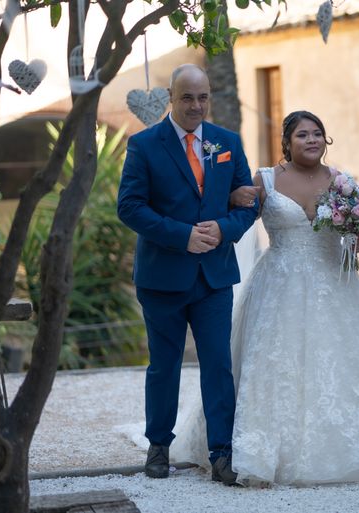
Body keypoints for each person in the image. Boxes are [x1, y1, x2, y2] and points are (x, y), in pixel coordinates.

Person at [172, 110, 359, 485]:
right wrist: (224, 206)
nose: (311, 140)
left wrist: (355, 220)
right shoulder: (265, 179)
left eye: (317, 133)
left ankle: (344, 449)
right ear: (287, 142)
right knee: (273, 366)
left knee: (337, 364)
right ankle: (261, 450)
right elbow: (237, 219)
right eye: (302, 134)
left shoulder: (341, 182)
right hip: (278, 286)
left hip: (334, 289)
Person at [117, 64, 257, 485]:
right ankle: (158, 447)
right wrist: (182, 236)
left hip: (215, 276)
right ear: (170, 98)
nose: (196, 106)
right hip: (162, 277)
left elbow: (248, 202)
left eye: (203, 97)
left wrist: (224, 230)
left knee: (218, 366)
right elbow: (130, 207)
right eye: (187, 98)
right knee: (164, 366)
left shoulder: (226, 142)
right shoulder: (144, 144)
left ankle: (222, 453)